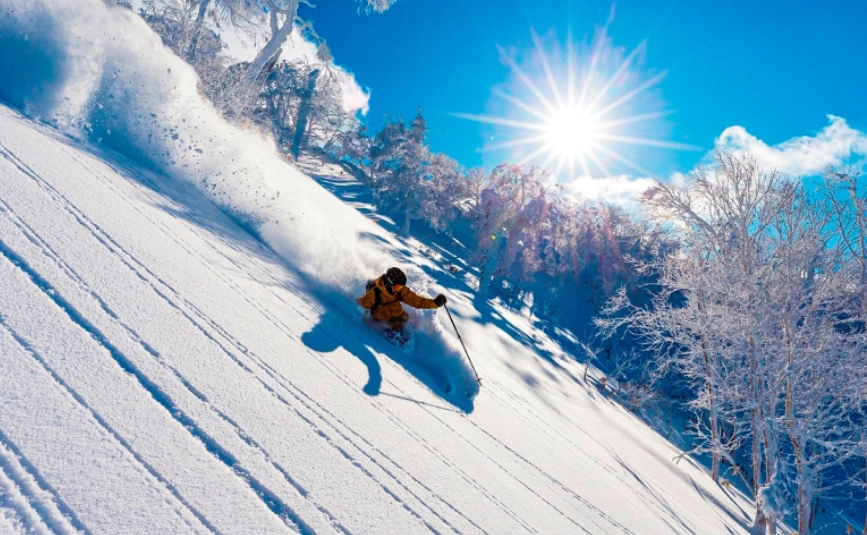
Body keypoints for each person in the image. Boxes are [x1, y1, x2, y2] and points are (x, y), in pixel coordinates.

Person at [357, 267, 447, 332]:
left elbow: (417, 301)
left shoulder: (400, 292)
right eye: (397, 287)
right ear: (389, 283)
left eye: (400, 287)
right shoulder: (374, 294)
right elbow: (359, 306)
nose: (399, 290)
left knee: (408, 322)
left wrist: (435, 303)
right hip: (383, 322)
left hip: (400, 319)